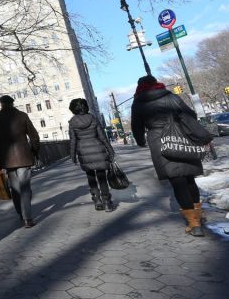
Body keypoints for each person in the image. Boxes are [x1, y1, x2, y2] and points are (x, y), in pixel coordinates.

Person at [131, 75, 205, 237]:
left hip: (158, 141)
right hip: (181, 137)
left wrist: (140, 141)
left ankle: (194, 223)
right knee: (189, 178)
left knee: (177, 182)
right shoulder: (170, 96)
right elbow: (190, 114)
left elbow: (136, 127)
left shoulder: (138, 103)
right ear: (155, 83)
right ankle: (199, 216)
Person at [0, 95, 41, 228]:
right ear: (13, 103)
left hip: (7, 159)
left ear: (1, 104)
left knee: (15, 188)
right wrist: (34, 151)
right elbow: (34, 136)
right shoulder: (22, 116)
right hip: (24, 157)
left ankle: (20, 213)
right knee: (25, 188)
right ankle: (27, 218)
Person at [68, 98, 116, 212]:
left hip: (84, 152)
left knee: (91, 177)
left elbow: (73, 141)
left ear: (73, 109)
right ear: (86, 106)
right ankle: (107, 202)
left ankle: (97, 201)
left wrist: (73, 156)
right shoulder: (93, 119)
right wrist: (111, 150)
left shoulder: (72, 122)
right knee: (102, 177)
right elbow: (102, 137)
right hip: (98, 149)